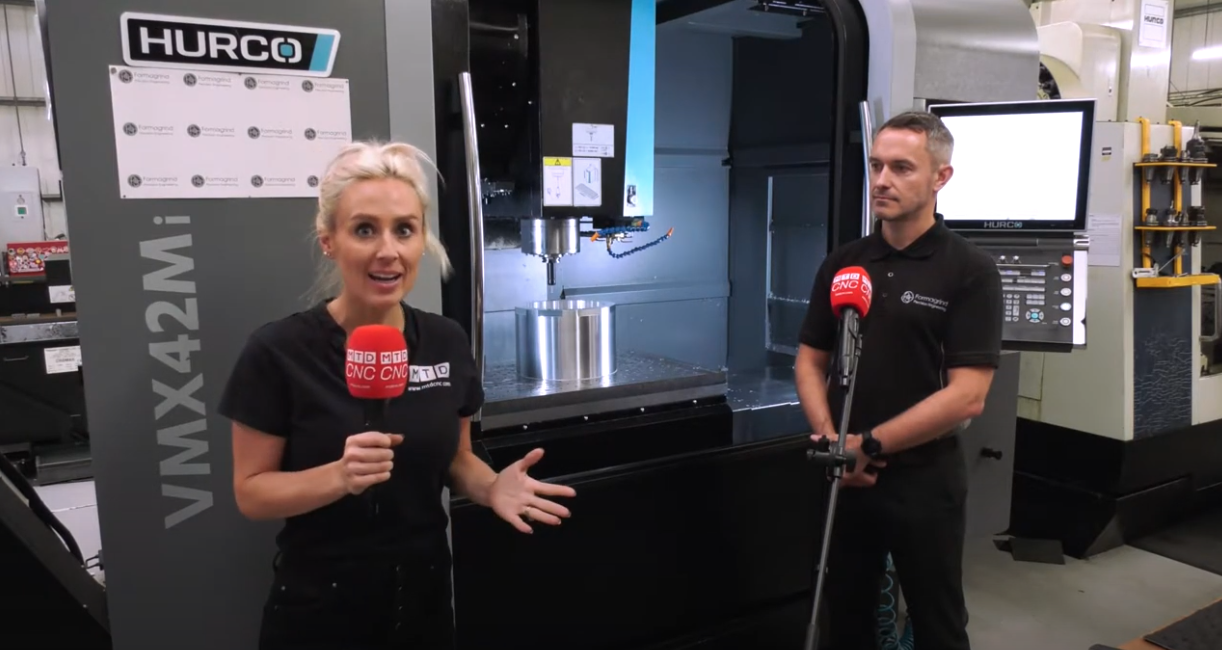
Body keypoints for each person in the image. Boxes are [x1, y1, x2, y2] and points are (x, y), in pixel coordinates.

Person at [218, 140, 578, 650]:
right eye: (365, 229)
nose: (387, 250)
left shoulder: (446, 339)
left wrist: (490, 486)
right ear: (329, 240)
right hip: (320, 610)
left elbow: (457, 457)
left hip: (424, 602)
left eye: (404, 230)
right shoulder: (278, 351)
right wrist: (339, 476)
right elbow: (252, 492)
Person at [795, 111, 1002, 650]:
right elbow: (810, 361)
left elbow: (968, 396)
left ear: (940, 177)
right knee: (846, 617)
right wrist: (835, 445)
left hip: (923, 479)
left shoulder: (970, 270)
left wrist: (869, 445)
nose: (882, 180)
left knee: (938, 623)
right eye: (876, 165)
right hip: (845, 476)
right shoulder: (845, 263)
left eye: (902, 168)